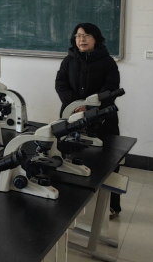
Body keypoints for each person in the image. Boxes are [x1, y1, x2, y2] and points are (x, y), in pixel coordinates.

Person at [55, 22, 122, 217]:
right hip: (71, 115)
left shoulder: (108, 62)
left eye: (86, 35)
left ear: (96, 39)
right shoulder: (68, 61)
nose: (81, 39)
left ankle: (112, 206)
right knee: (70, 158)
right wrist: (76, 104)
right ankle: (73, 203)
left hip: (103, 118)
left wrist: (90, 106)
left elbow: (111, 88)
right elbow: (60, 84)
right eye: (78, 36)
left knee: (108, 161)